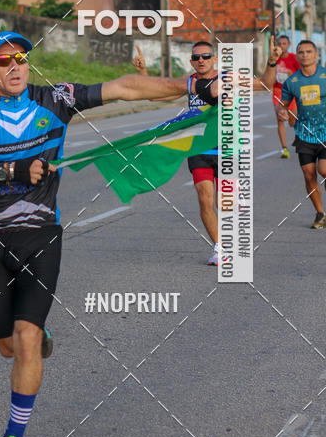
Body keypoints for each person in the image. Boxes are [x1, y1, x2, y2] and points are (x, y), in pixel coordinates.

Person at [0, 31, 187, 437]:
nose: (15, 66)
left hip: (41, 235)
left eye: (21, 58)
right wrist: (7, 170)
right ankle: (35, 337)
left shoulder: (55, 99)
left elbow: (125, 87)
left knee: (27, 339)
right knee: (6, 346)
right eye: (2, 61)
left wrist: (193, 87)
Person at [132, 37, 281, 264]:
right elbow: (157, 95)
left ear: (215, 59)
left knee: (224, 202)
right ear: (192, 62)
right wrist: (143, 73)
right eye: (195, 57)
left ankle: (234, 198)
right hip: (199, 148)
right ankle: (219, 248)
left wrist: (271, 63)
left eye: (205, 56)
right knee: (204, 199)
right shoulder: (190, 83)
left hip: (227, 146)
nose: (200, 60)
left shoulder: (228, 77)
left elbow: (263, 85)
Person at [278, 39, 326, 228]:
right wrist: (282, 113)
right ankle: (320, 213)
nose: (305, 55)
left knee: (323, 169)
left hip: (325, 133)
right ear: (297, 56)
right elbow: (283, 107)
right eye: (301, 52)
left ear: (316, 55)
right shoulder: (291, 82)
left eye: (308, 51)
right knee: (308, 174)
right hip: (304, 135)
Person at [272, 34, 299, 158]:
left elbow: (300, 75)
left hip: (291, 92)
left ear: (288, 45)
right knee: (281, 119)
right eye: (279, 44)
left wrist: (291, 73)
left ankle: (298, 137)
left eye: (284, 43)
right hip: (278, 92)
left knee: (293, 122)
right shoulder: (274, 58)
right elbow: (268, 73)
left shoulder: (293, 58)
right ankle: (284, 149)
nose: (282, 46)